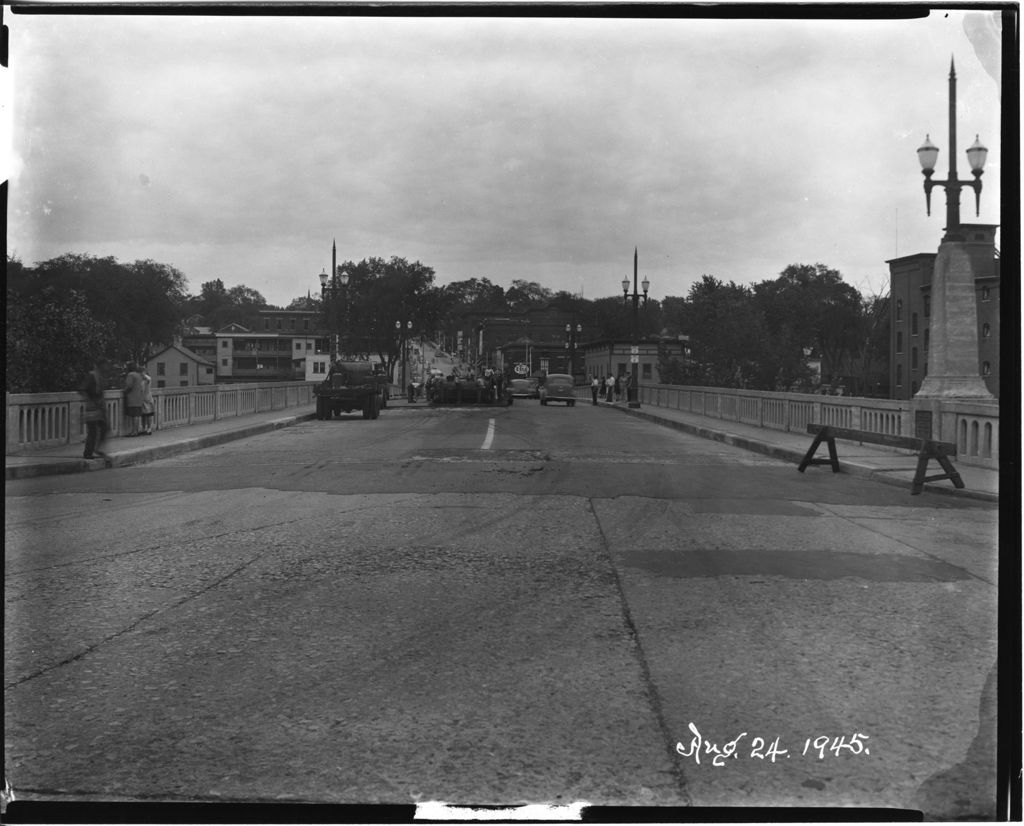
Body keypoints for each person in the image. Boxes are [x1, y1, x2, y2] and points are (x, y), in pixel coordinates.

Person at [80, 358, 110, 459]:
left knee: (105, 428)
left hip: (100, 408)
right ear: (100, 365)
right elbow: (82, 390)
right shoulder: (92, 375)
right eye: (105, 365)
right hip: (92, 408)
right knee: (92, 431)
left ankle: (98, 449)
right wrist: (89, 401)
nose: (107, 367)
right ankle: (88, 452)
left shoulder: (101, 376)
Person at [124, 363, 144, 436]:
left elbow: (129, 385)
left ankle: (134, 432)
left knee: (134, 415)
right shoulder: (139, 375)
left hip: (132, 398)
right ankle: (136, 431)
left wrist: (124, 391)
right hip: (139, 398)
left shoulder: (130, 375)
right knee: (137, 415)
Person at [140, 368, 155, 435]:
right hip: (142, 399)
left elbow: (149, 379)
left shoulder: (147, 379)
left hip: (148, 399)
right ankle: (143, 428)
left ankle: (149, 429)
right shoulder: (141, 381)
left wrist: (144, 374)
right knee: (143, 415)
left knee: (149, 414)